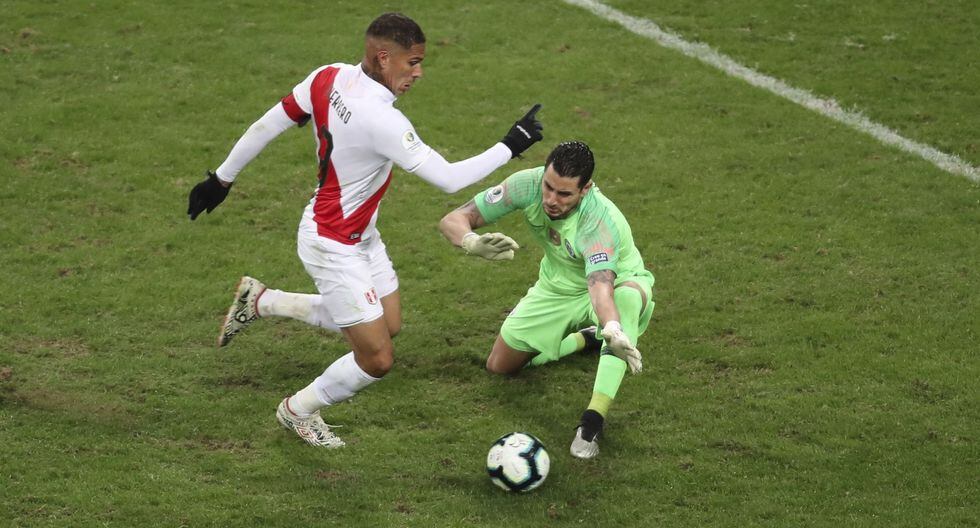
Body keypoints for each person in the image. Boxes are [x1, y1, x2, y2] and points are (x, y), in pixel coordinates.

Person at [186, 12, 543, 448]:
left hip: (360, 236)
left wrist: (221, 178)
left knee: (388, 325)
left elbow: (271, 122)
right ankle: (297, 410)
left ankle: (262, 301)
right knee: (376, 358)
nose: (419, 73)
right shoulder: (382, 119)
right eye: (411, 63)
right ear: (383, 57)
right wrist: (511, 145)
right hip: (331, 244)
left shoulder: (328, 76)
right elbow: (449, 179)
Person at [438, 141, 653, 459]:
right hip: (556, 287)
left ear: (585, 189)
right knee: (500, 366)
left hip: (616, 283)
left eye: (564, 194)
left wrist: (612, 325)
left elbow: (600, 288)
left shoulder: (598, 222)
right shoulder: (526, 184)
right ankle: (586, 340)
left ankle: (592, 421)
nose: (551, 200)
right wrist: (471, 242)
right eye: (548, 188)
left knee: (625, 302)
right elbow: (452, 219)